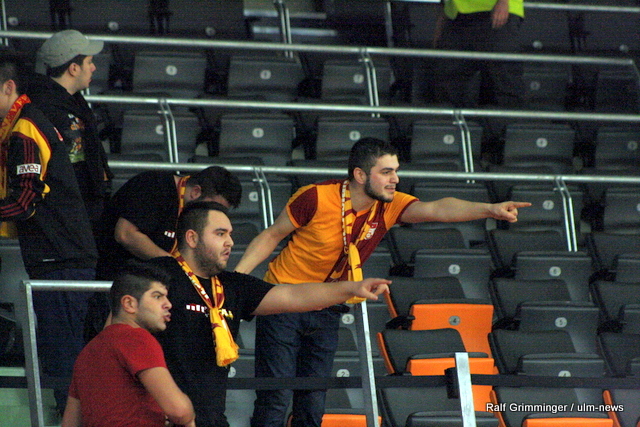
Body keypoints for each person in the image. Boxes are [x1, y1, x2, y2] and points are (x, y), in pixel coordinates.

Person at [233, 137, 531, 427]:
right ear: (360, 175)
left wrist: (489, 209)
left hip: (328, 306)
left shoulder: (388, 205)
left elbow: (438, 209)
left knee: (313, 401)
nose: (395, 180)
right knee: (275, 397)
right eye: (386, 172)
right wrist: (233, 281)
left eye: (396, 171)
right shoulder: (315, 197)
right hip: (284, 302)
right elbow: (271, 236)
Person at [150, 200, 390, 427]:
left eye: (230, 234)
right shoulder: (156, 277)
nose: (230, 242)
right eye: (220, 234)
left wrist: (352, 288)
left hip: (211, 420)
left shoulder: (232, 285)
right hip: (159, 418)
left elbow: (293, 296)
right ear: (192, 238)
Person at [0, 49, 98, 414]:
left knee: (63, 358)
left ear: (8, 87)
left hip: (62, 258)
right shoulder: (23, 123)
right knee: (61, 355)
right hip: (59, 255)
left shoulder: (26, 127)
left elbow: (24, 203)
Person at [61, 262, 196, 427]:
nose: (168, 304)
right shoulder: (137, 338)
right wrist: (188, 412)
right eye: (157, 296)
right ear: (129, 304)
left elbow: (69, 423)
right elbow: (179, 411)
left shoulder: (88, 351)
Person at [27, 29, 113, 234]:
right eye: (89, 62)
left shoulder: (74, 100)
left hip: (80, 210)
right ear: (74, 68)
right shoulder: (44, 107)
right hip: (62, 217)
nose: (93, 68)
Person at [96, 166, 242, 280]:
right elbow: (126, 234)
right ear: (196, 192)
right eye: (211, 206)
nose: (213, 212)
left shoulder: (194, 212)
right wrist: (177, 268)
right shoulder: (153, 185)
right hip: (114, 278)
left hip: (155, 281)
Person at [432, 0, 525, 164]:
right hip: (456, 14)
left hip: (495, 9)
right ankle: (451, 148)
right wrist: (442, 21)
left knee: (503, 85)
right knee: (449, 84)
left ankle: (507, 154)